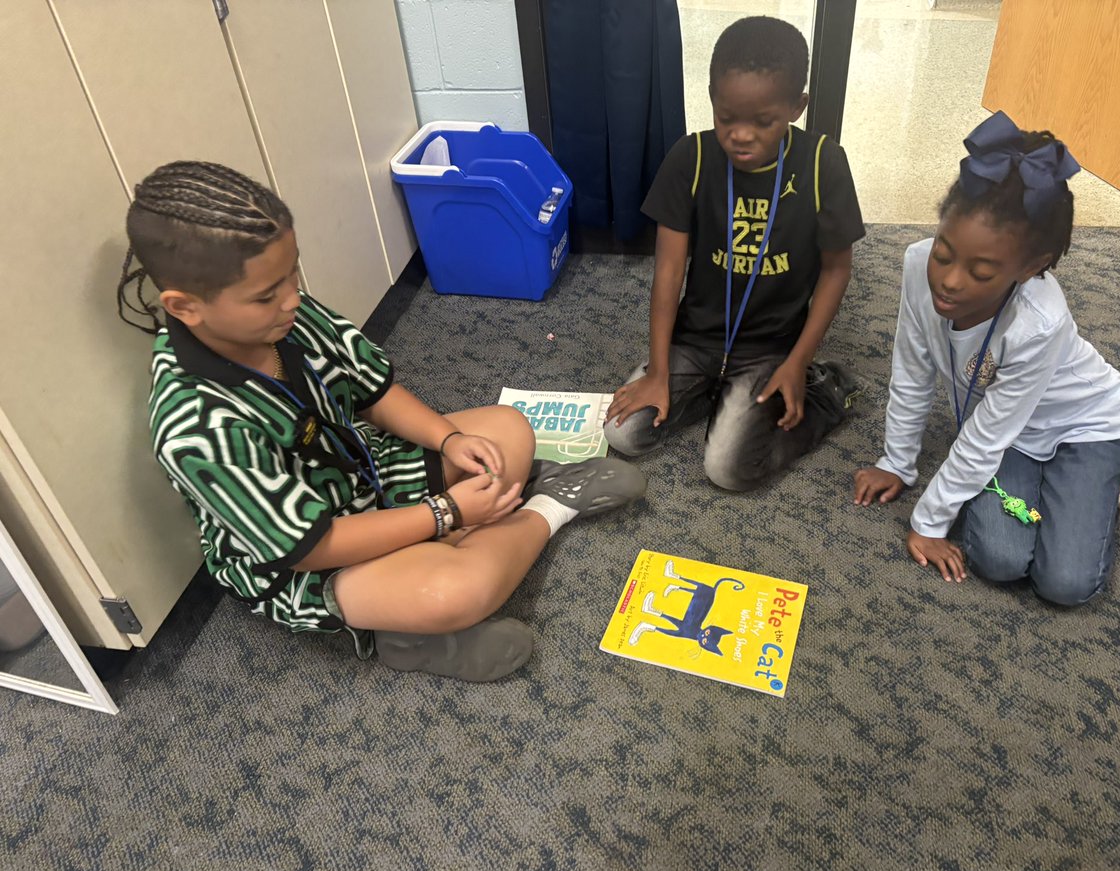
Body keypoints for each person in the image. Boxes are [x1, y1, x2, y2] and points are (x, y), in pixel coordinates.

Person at [118, 161, 646, 681]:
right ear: (184, 307)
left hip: (366, 473)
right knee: (454, 592)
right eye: (265, 295)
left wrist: (449, 439)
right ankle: (546, 507)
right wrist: (445, 514)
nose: (292, 299)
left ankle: (426, 585)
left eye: (292, 273)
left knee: (508, 429)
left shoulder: (287, 316)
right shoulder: (197, 429)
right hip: (309, 557)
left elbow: (375, 393)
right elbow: (310, 547)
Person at [853, 111, 1120, 605]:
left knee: (1065, 585)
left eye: (981, 272)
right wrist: (897, 463)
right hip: (1011, 433)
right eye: (944, 253)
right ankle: (1068, 490)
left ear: (1031, 267)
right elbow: (912, 373)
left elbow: (984, 438)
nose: (949, 281)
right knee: (999, 560)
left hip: (1083, 425)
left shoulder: (1040, 322)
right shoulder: (916, 266)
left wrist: (928, 523)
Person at [603, 15, 865, 491]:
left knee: (727, 470)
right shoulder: (691, 158)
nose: (741, 135)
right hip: (695, 339)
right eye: (727, 118)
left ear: (797, 107)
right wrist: (658, 371)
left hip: (770, 348)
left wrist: (798, 360)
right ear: (711, 99)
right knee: (623, 434)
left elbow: (836, 270)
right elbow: (668, 272)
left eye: (762, 122)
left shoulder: (823, 163)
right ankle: (716, 393)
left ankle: (825, 392)